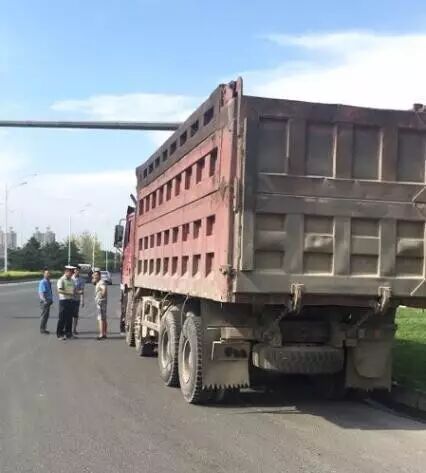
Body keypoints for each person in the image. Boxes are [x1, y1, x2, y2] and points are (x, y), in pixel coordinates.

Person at [56, 265, 76, 340]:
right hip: (63, 301)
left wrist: (78, 292)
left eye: (72, 273)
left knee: (69, 318)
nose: (72, 274)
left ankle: (68, 334)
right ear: (66, 272)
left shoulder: (72, 280)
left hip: (71, 300)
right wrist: (69, 293)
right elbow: (59, 290)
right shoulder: (61, 280)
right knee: (62, 318)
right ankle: (59, 334)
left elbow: (74, 290)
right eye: (71, 272)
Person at [93, 270, 108, 340]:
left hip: (101, 302)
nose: (94, 276)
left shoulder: (101, 282)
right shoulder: (98, 282)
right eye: (94, 275)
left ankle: (101, 334)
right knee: (103, 318)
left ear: (99, 276)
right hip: (102, 302)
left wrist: (101, 297)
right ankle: (104, 333)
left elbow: (104, 290)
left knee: (100, 318)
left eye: (96, 275)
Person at [38, 269, 53, 334]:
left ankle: (44, 328)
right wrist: (44, 300)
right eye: (47, 273)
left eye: (49, 273)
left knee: (46, 316)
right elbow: (41, 293)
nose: (48, 274)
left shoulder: (48, 282)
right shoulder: (43, 282)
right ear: (44, 274)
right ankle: (42, 329)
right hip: (45, 301)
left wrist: (50, 300)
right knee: (44, 316)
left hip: (48, 301)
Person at [72, 265, 85, 335]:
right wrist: (77, 291)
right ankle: (68, 329)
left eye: (78, 270)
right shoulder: (70, 278)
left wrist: (82, 300)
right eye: (76, 270)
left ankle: (74, 329)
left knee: (75, 315)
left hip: (77, 299)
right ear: (74, 270)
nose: (77, 271)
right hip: (69, 299)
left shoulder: (81, 280)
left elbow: (82, 291)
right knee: (68, 315)